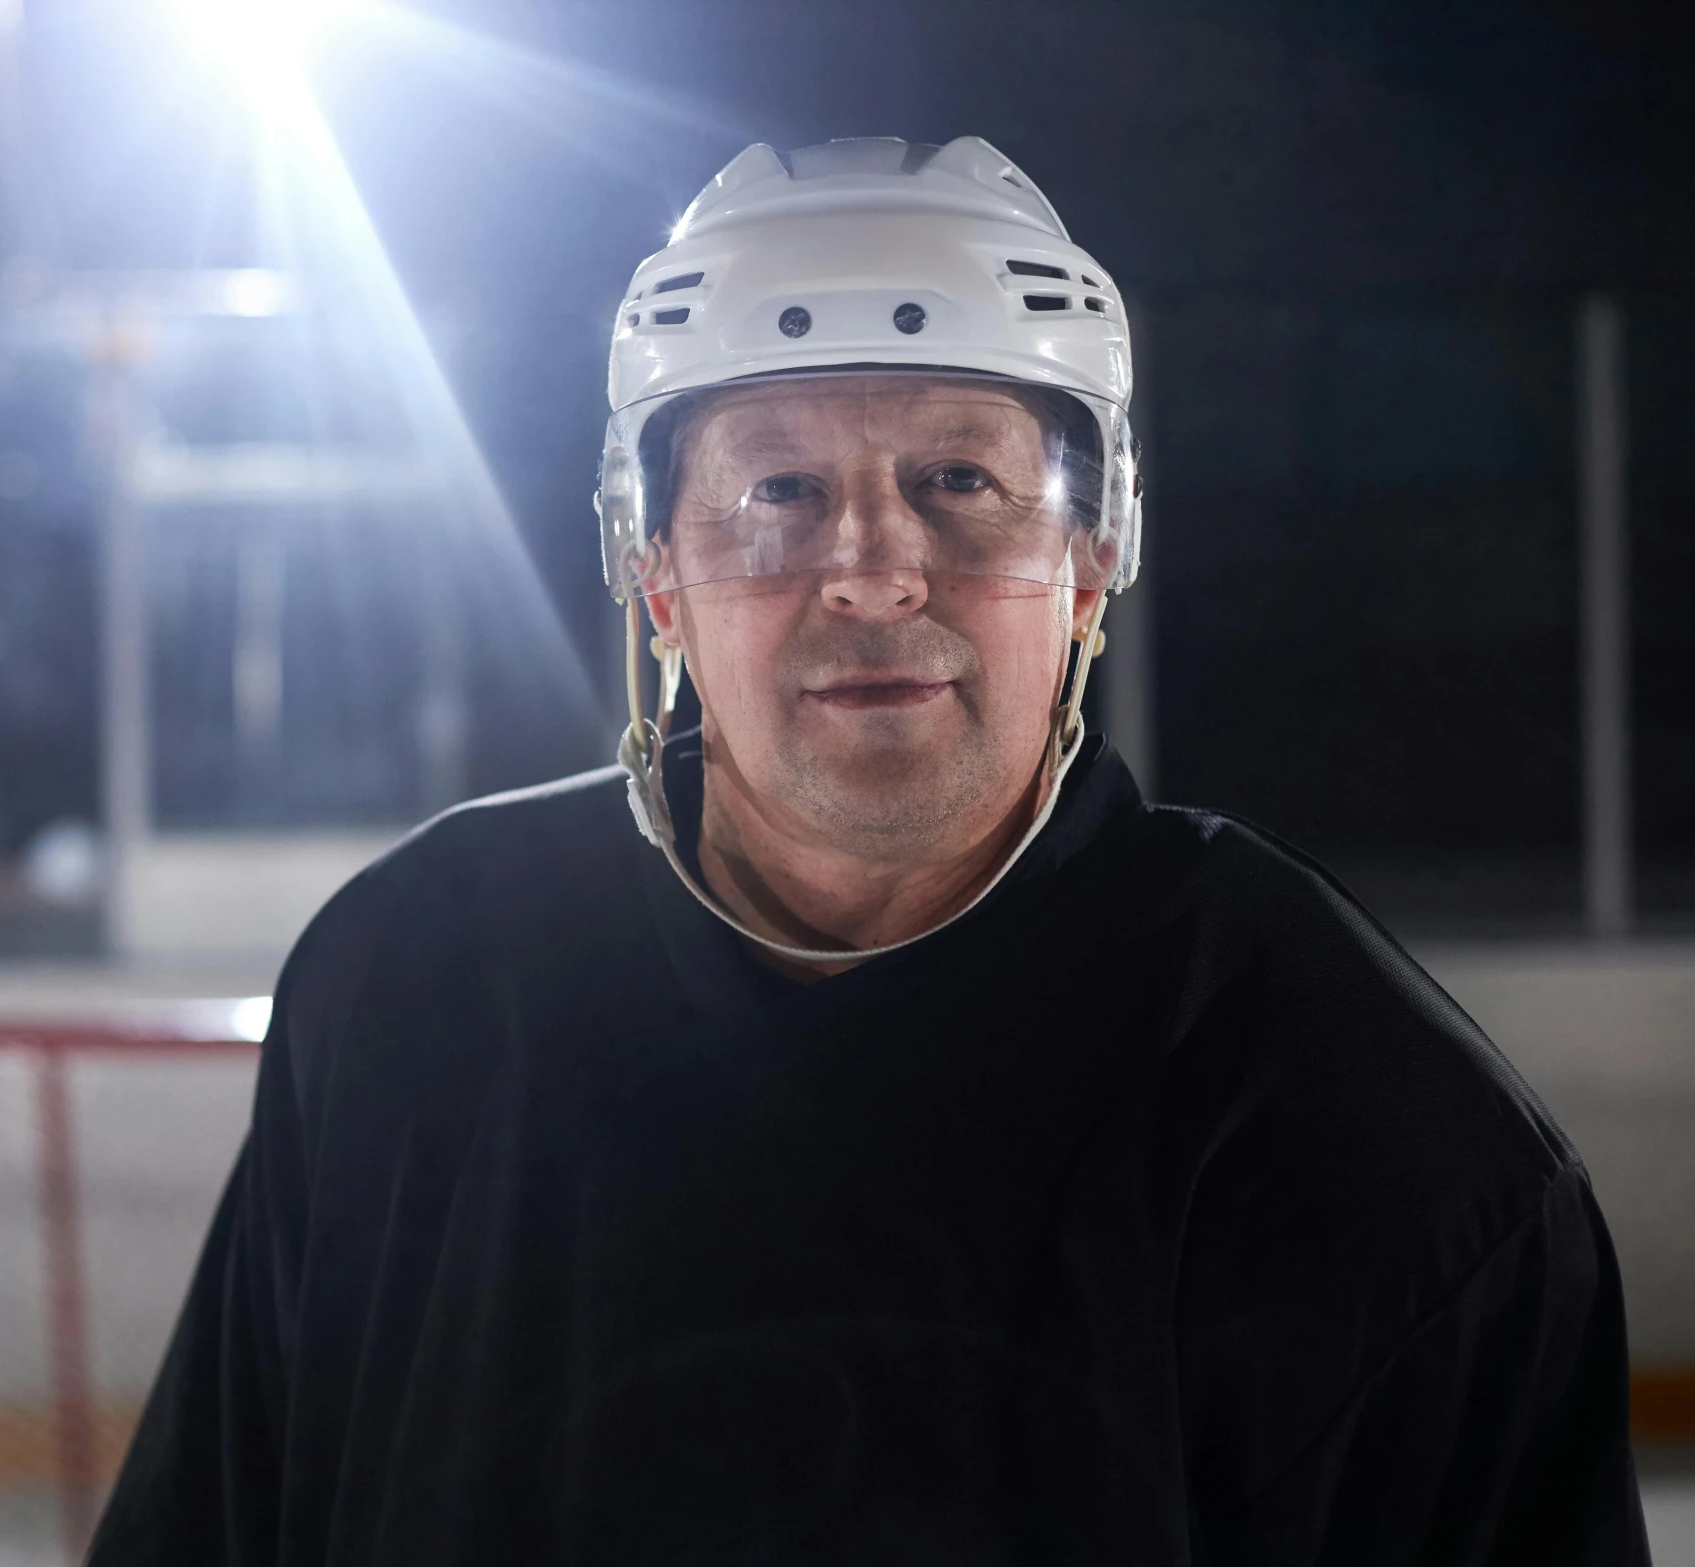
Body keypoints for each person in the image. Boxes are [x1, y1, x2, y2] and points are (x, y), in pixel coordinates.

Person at [90, 137, 1647, 1564]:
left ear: (1094, 555)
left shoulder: (1371, 1134)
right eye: (778, 489)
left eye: (959, 482)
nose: (873, 569)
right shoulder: (408, 985)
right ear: (654, 572)